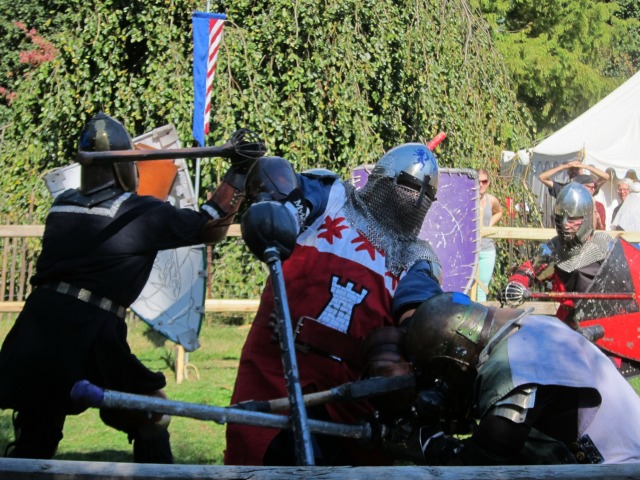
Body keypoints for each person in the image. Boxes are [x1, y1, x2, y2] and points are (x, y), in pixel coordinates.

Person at [0, 112, 258, 462]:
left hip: (39, 325)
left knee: (38, 422)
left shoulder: (62, 206)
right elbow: (210, 224)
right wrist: (238, 173)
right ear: (126, 166)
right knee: (151, 413)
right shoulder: (140, 213)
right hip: (91, 330)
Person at [224, 143, 444, 466]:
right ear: (382, 178)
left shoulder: (415, 259)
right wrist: (276, 205)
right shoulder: (332, 197)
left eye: (424, 196)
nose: (414, 199)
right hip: (274, 369)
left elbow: (422, 314)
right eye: (408, 187)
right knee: (256, 461)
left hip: (347, 405)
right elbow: (286, 195)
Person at [391, 292, 640, 465]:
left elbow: (485, 461)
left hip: (618, 468)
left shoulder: (518, 361)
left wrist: (430, 442)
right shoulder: (533, 327)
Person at [501, 182, 614, 328]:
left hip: (602, 321)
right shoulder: (554, 248)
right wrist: (517, 283)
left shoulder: (605, 246)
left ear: (586, 218)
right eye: (561, 219)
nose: (566, 225)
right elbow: (529, 269)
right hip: (567, 323)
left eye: (572, 219)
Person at [476, 169, 503, 302]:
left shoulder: (491, 200)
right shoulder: (467, 198)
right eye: (478, 181)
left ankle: (479, 320)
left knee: (482, 289)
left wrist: (490, 224)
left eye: (484, 181)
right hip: (469, 250)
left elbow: (499, 212)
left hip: (487, 250)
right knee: (465, 286)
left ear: (488, 183)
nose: (481, 184)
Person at [538, 160, 610, 199]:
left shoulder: (587, 189)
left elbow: (606, 177)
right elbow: (542, 177)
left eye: (576, 169)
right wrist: (565, 166)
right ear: (568, 172)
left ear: (581, 171)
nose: (574, 171)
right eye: (571, 169)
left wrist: (585, 166)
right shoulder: (563, 189)